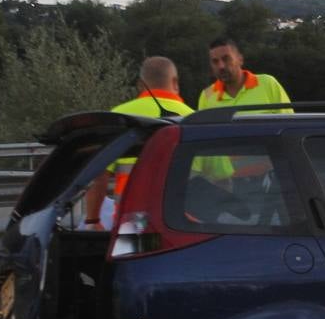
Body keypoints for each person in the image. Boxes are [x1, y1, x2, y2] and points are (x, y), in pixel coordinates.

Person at [83, 56, 194, 228]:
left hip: (131, 224)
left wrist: (92, 221)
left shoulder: (118, 117)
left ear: (141, 84)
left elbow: (97, 176)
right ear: (175, 82)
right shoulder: (194, 119)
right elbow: (221, 177)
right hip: (182, 225)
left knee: (131, 254)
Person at [196, 37, 291, 112]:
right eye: (215, 61)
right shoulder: (207, 94)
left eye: (226, 59)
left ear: (240, 59)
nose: (221, 66)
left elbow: (288, 125)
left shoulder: (268, 83)